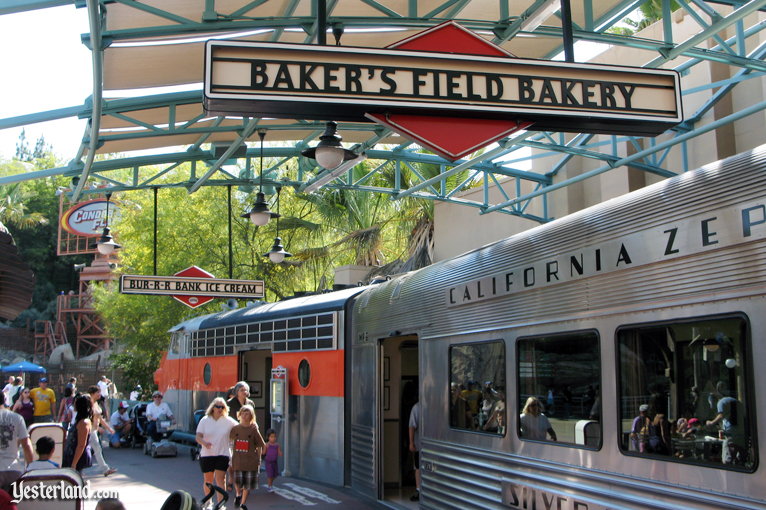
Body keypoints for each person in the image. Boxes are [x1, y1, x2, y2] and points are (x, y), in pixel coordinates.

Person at [195, 397, 237, 506]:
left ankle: (221, 504)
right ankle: (208, 502)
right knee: (208, 480)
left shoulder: (228, 421)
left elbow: (240, 428)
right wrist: (204, 443)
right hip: (207, 454)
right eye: (217, 406)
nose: (219, 409)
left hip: (222, 454)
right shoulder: (205, 420)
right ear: (212, 407)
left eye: (222, 407)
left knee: (221, 479)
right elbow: (198, 436)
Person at [229, 404, 266, 510]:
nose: (245, 416)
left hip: (251, 461)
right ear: (239, 415)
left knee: (247, 484)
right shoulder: (235, 429)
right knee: (238, 482)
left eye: (247, 414)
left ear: (251, 416)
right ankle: (238, 494)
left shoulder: (254, 429)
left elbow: (261, 444)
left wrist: (260, 457)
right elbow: (228, 440)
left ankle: (243, 503)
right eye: (243, 414)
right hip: (238, 460)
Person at [706, 381, 746, 464]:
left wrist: (711, 423)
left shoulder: (721, 402)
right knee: (739, 461)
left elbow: (721, 415)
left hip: (731, 435)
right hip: (742, 434)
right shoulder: (735, 401)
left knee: (727, 461)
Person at [0, 398, 34, 491]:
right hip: (13, 468)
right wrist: (31, 467)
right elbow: (26, 444)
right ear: (4, 400)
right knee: (14, 504)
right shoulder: (17, 418)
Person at [87, 386, 117, 476]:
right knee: (92, 449)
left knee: (97, 449)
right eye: (98, 392)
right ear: (92, 394)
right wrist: (96, 427)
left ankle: (105, 469)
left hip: (94, 431)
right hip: (89, 430)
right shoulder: (88, 404)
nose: (100, 394)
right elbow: (87, 418)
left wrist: (109, 428)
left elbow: (100, 419)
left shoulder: (96, 403)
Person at [62, 394, 93, 472]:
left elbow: (81, 445)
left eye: (75, 403)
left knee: (75, 481)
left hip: (77, 457)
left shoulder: (84, 423)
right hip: (71, 453)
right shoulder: (79, 420)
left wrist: (74, 463)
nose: (73, 405)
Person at [408, 401, 421, 501]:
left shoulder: (417, 407)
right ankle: (419, 489)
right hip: (419, 444)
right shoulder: (417, 407)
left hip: (423, 444)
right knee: (418, 467)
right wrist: (411, 442)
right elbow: (412, 426)